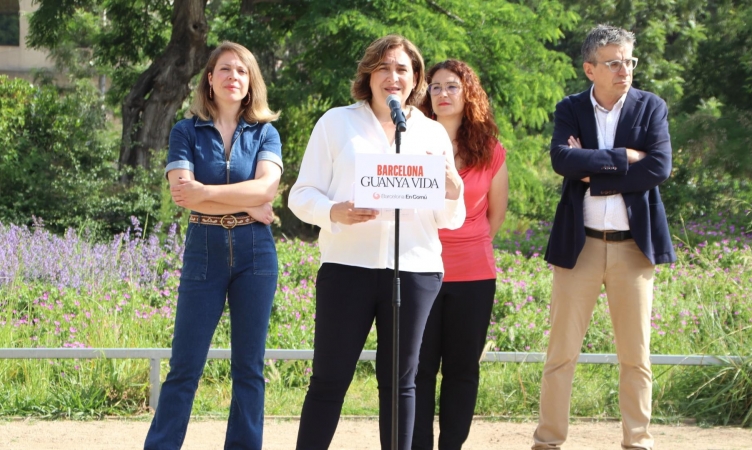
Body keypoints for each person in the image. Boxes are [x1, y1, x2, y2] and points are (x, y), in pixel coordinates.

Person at [288, 34, 466, 450]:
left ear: (416, 78)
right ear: (368, 75)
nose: (393, 77)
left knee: (403, 383)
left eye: (402, 69)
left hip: (416, 270)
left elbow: (447, 218)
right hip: (348, 268)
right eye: (384, 67)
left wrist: (454, 189)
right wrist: (335, 211)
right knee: (329, 378)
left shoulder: (432, 134)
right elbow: (301, 194)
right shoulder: (336, 122)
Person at [532, 25, 675, 450]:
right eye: (613, 63)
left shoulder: (651, 107)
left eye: (629, 61)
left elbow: (659, 168)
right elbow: (562, 159)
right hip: (581, 246)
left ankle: (638, 441)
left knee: (636, 357)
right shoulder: (570, 108)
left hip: (634, 247)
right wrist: (625, 158)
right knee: (561, 355)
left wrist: (595, 172)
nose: (624, 70)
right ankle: (548, 441)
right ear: (590, 69)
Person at [143, 41, 283, 450]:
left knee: (249, 368)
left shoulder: (265, 132)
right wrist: (250, 199)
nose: (233, 77)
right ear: (210, 78)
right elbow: (181, 194)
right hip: (203, 247)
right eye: (225, 69)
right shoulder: (185, 130)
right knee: (184, 365)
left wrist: (208, 190)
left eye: (241, 71)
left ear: (250, 80)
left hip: (256, 251)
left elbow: (266, 188)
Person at [412, 60, 508, 450]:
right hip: (419, 271)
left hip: (474, 276)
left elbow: (495, 215)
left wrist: (466, 245)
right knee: (416, 372)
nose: (442, 94)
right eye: (434, 87)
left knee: (462, 371)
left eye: (452, 86)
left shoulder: (490, 150)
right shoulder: (411, 144)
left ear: (468, 93)